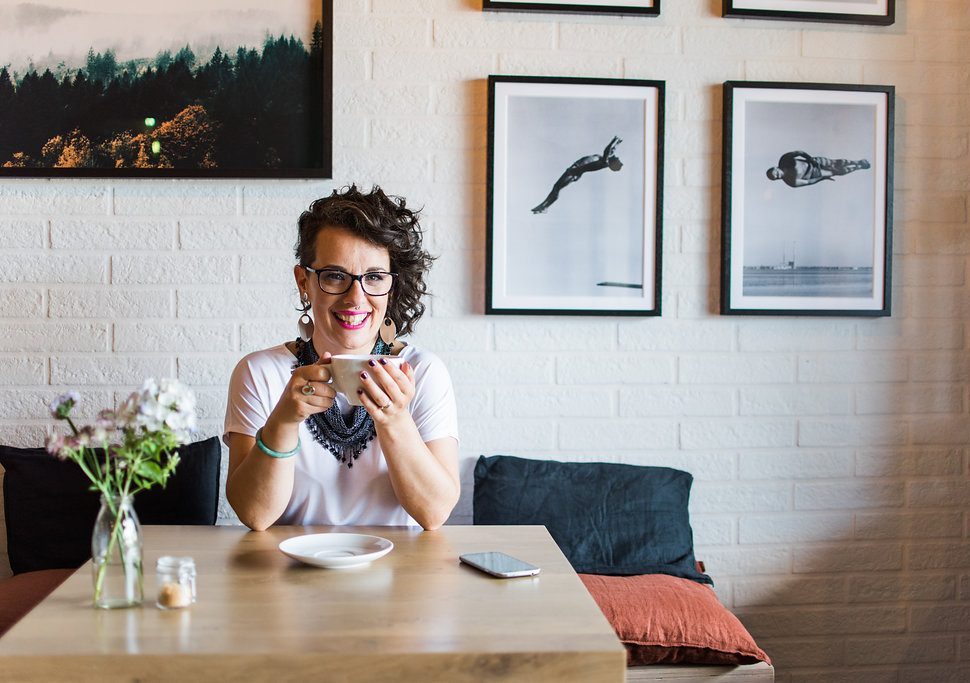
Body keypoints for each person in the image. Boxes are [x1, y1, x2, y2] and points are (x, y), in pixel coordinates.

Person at [224, 185, 460, 531]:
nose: (355, 298)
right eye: (335, 276)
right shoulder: (259, 372)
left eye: (374, 277)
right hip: (288, 562)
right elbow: (255, 515)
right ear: (303, 282)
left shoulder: (423, 372)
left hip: (401, 563)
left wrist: (395, 419)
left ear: (392, 286)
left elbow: (434, 513)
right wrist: (284, 421)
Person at [531, 135, 623, 214]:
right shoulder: (604, 158)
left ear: (613, 163)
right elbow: (612, 150)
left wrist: (613, 140)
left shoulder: (605, 162)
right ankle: (543, 206)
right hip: (574, 170)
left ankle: (545, 207)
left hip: (574, 172)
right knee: (556, 187)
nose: (616, 156)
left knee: (557, 188)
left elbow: (607, 150)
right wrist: (617, 143)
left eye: (617, 159)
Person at [766, 151, 870, 188]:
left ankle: (856, 162)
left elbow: (799, 152)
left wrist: (811, 159)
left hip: (813, 162)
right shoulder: (790, 182)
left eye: (776, 173)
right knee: (838, 172)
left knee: (835, 162)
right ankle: (858, 167)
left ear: (776, 168)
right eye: (776, 177)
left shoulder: (784, 160)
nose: (778, 176)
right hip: (816, 173)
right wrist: (822, 178)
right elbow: (808, 182)